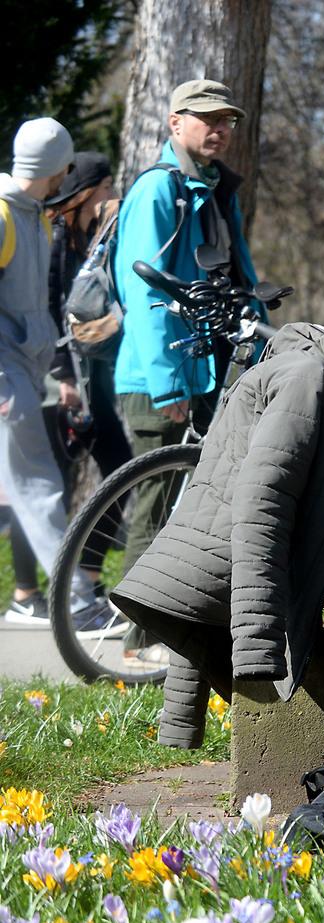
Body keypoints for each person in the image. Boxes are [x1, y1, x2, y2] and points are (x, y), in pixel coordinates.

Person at [111, 78, 260, 659]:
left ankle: (176, 630)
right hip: (160, 376)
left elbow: (239, 279)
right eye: (205, 119)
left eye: (226, 120)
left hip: (209, 370)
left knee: (193, 506)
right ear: (176, 124)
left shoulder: (219, 191)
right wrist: (167, 383)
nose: (218, 129)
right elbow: (142, 288)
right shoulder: (156, 191)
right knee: (154, 503)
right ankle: (137, 640)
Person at [0, 117, 113, 631]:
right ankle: (75, 603)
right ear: (54, 165)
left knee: (35, 486)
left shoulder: (34, 216)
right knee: (40, 487)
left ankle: (65, 598)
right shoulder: (3, 215)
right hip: (7, 378)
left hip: (28, 371)